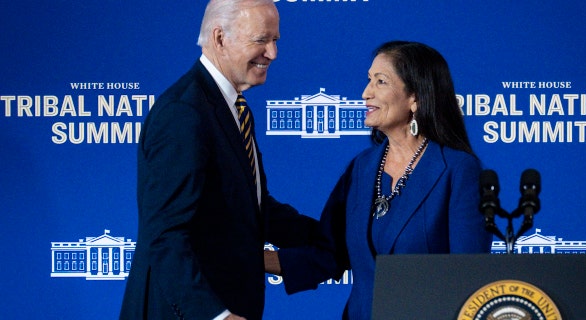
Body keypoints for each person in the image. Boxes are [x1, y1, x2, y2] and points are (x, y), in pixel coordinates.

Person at [265, 41, 493, 319]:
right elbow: (329, 253)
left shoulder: (458, 170)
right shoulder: (361, 168)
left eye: (380, 81)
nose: (365, 93)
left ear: (416, 97)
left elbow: (468, 280)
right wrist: (246, 259)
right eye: (368, 80)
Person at [119, 1, 318, 319]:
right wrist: (216, 315)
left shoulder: (232, 107)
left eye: (275, 40)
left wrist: (328, 238)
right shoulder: (184, 113)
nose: (272, 53)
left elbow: (249, 209)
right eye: (261, 40)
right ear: (220, 38)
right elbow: (165, 235)